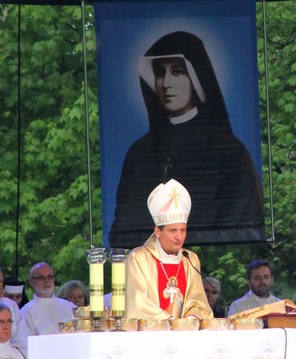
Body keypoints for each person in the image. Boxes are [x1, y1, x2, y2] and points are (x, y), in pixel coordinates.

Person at [109, 30, 265, 248]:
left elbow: (245, 223)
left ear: (196, 79)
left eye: (177, 72)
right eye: (160, 73)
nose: (166, 83)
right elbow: (120, 232)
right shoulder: (139, 153)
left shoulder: (229, 151)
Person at [124, 179, 213, 319]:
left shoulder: (190, 259)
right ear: (158, 232)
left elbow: (197, 301)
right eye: (173, 231)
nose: (179, 237)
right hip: (152, 335)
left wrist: (191, 319)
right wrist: (170, 323)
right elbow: (138, 303)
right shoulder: (139, 257)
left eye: (183, 230)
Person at [19, 263, 75, 336]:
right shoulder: (26, 312)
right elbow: (26, 343)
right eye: (41, 277)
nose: (47, 281)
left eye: (50, 276)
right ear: (31, 281)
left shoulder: (69, 307)